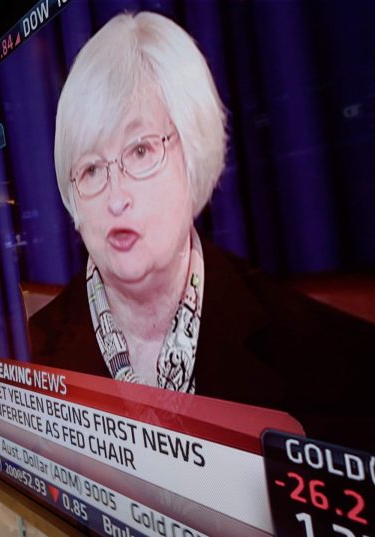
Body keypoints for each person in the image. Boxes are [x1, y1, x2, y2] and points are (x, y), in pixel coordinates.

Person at [29, 12, 375, 452]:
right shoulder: (27, 351)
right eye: (92, 168)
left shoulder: (333, 362)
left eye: (141, 150)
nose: (116, 198)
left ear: (192, 150)